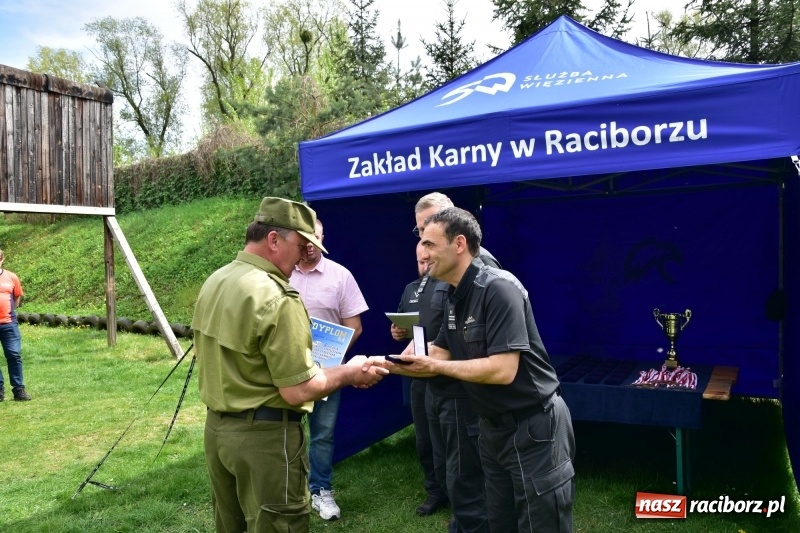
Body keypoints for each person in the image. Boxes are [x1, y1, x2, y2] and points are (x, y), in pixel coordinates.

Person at [191, 197, 387, 533]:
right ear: (273, 239)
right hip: (265, 441)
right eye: (300, 245)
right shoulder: (277, 297)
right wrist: (350, 372)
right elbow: (298, 390)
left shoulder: (217, 280)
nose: (301, 258)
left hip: (218, 432)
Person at [380, 207, 576, 533]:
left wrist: (435, 364)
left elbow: (503, 370)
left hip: (533, 427)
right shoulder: (454, 295)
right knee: (499, 523)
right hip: (492, 429)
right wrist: (386, 365)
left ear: (459, 244)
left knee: (542, 524)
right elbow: (436, 352)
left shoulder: (498, 288)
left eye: (429, 244)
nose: (422, 253)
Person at [409, 192, 500, 532]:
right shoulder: (442, 276)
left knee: (467, 474)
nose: (422, 246)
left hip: (465, 392)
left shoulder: (486, 273)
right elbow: (447, 337)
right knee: (452, 468)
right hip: (439, 383)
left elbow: (496, 356)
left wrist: (440, 364)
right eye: (419, 233)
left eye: (429, 236)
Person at [289, 218, 369, 521]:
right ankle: (289, 491)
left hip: (327, 372)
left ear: (324, 238)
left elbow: (355, 326)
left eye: (315, 238)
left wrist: (333, 358)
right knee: (285, 430)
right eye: (304, 238)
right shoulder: (280, 276)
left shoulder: (340, 276)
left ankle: (321, 490)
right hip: (287, 370)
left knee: (322, 434)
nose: (309, 245)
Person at [390, 244, 449, 516]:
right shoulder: (411, 289)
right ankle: (435, 490)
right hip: (419, 374)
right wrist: (398, 332)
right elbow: (405, 327)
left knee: (450, 439)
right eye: (419, 261)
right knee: (424, 437)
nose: (424, 265)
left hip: (449, 373)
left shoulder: (451, 286)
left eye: (428, 259)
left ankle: (460, 492)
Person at [0, 248, 31, 402]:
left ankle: (18, 390)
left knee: (14, 355)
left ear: (2, 259)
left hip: (8, 324)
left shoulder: (11, 277)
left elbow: (17, 297)